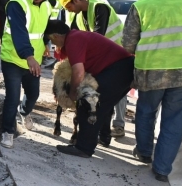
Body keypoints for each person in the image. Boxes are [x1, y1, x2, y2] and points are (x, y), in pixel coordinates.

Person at [122, 0, 182, 182]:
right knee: (174, 120)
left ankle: (144, 152)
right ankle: (162, 169)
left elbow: (129, 44)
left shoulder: (140, 6)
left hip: (152, 72)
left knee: (147, 112)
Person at [45, 20, 135, 158]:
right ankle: (102, 137)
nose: (54, 45)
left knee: (88, 104)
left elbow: (78, 72)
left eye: (52, 41)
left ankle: (84, 148)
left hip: (118, 69)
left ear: (54, 36)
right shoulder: (76, 36)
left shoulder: (73, 40)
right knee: (103, 106)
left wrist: (73, 93)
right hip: (123, 69)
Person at [0, 0, 54, 149]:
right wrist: (29, 57)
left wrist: (46, 42)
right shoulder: (17, 4)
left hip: (33, 61)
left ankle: (24, 112)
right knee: (12, 97)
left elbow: (44, 28)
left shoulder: (46, 6)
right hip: (13, 59)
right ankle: (7, 132)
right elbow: (19, 33)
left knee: (33, 94)